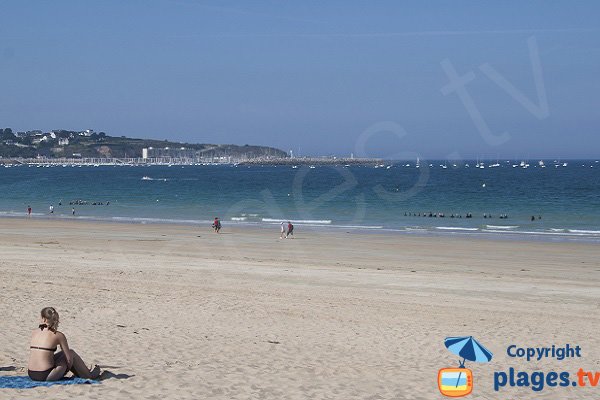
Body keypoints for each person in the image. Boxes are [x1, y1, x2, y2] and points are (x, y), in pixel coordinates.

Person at [28, 307, 101, 381]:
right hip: (46, 375)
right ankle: (89, 375)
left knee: (61, 354)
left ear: (43, 319)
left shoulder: (34, 332)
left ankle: (84, 371)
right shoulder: (58, 335)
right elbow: (69, 360)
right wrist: (67, 369)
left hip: (31, 373)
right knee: (71, 353)